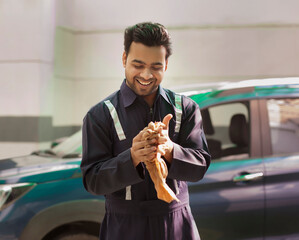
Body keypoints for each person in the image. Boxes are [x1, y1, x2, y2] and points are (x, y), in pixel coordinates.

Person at [80, 22, 211, 240]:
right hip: (124, 227)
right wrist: (131, 157)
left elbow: (200, 168)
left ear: (166, 65)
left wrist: (170, 150)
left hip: (176, 224)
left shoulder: (185, 109)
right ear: (124, 59)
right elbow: (92, 181)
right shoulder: (100, 115)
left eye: (156, 67)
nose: (146, 75)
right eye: (138, 65)